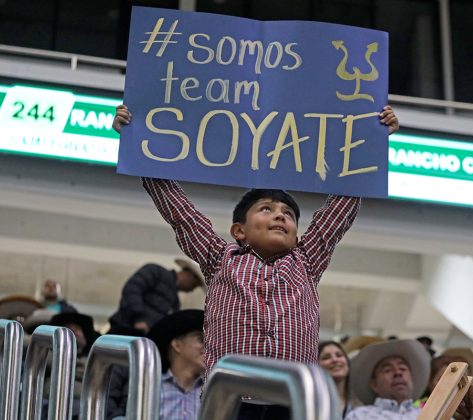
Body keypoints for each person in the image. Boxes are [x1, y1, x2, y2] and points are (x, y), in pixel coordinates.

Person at [113, 103, 399, 420]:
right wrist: (137, 145)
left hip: (292, 400)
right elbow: (181, 215)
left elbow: (341, 207)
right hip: (229, 397)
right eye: (266, 209)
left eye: (288, 215)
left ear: (296, 232)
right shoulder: (219, 257)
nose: (280, 215)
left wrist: (373, 142)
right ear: (239, 231)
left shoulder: (307, 259)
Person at [108, 258, 204, 334]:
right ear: (191, 276)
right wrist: (139, 319)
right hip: (125, 330)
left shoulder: (175, 302)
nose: (192, 290)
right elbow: (132, 290)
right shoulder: (155, 272)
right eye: (194, 285)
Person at [147, 310, 206, 420]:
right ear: (177, 345)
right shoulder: (150, 388)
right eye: (201, 339)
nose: (209, 346)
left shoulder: (213, 392)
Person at [318, 341, 361, 417]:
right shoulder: (310, 402)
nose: (335, 360)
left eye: (339, 355)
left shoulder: (361, 403)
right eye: (326, 357)